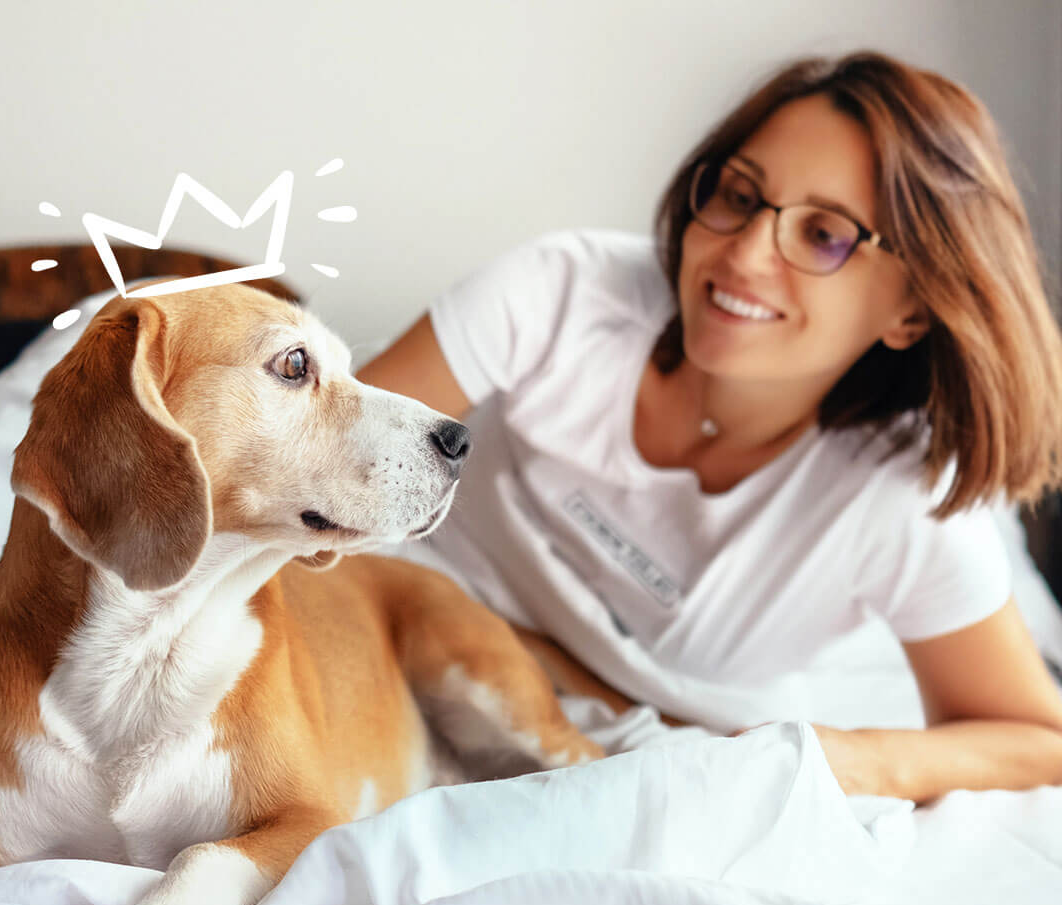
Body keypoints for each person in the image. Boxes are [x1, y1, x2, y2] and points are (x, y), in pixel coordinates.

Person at [357, 50, 1062, 805]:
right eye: (739, 195)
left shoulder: (901, 500)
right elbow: (330, 464)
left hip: (631, 743)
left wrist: (848, 759)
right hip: (387, 617)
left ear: (912, 309)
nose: (745, 254)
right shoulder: (561, 293)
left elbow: (1037, 738)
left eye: (824, 234)